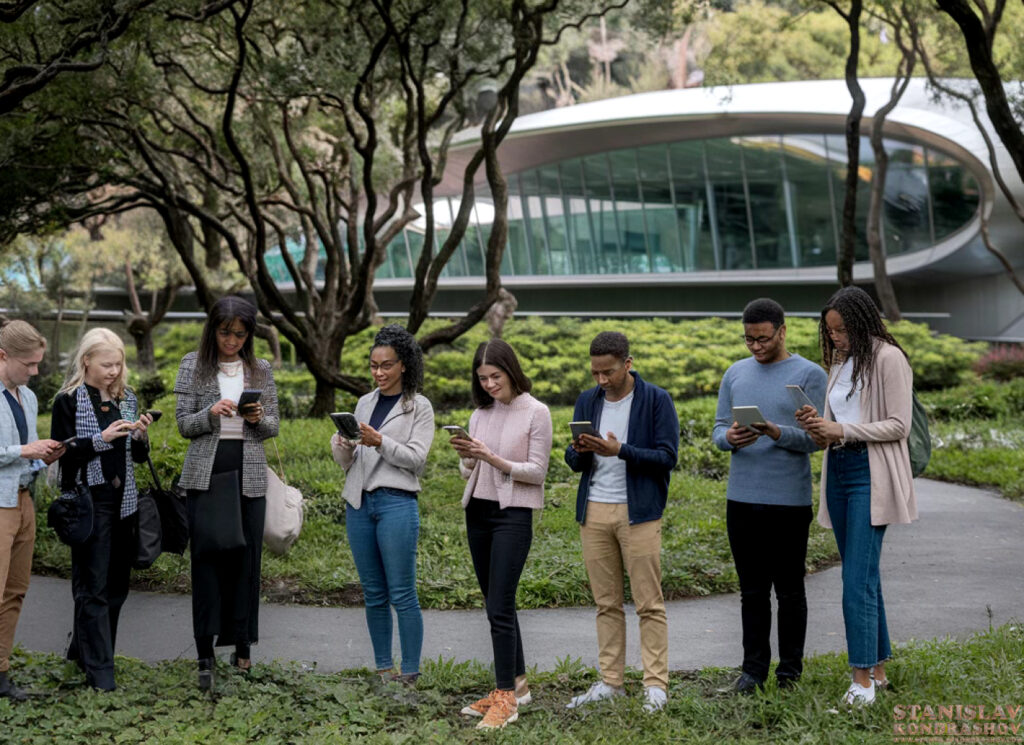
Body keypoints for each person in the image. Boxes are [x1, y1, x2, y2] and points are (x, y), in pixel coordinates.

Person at [796, 286, 917, 706]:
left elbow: (898, 425)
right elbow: (840, 420)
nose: (835, 338)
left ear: (862, 322)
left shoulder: (888, 358)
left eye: (842, 330)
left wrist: (843, 431)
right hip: (840, 470)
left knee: (855, 581)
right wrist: (819, 424)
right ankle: (878, 671)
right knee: (862, 574)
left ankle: (861, 681)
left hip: (871, 472)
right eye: (829, 331)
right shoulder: (840, 362)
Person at [711, 298, 828, 693]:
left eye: (762, 339)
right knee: (752, 591)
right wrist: (729, 438)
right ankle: (753, 671)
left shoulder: (810, 374)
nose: (756, 347)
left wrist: (778, 433)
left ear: (782, 331)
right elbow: (718, 428)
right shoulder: (735, 374)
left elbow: (819, 439)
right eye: (748, 340)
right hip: (741, 499)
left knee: (790, 590)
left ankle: (789, 673)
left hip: (789, 502)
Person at [564, 331, 679, 714]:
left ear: (627, 364)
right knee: (606, 603)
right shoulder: (587, 399)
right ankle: (611, 682)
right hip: (594, 510)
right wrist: (580, 450)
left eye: (608, 372)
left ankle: (655, 685)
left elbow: (667, 457)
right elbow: (573, 458)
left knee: (649, 602)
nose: (601, 380)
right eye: (595, 372)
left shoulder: (656, 400)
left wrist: (620, 450)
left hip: (640, 512)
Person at [174, 296, 279, 690]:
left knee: (247, 565)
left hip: (249, 475)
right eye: (224, 332)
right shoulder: (193, 364)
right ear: (212, 329)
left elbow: (273, 428)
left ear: (249, 334)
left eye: (240, 334)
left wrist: (257, 417)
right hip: (208, 473)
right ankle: (204, 652)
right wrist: (211, 413)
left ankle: (242, 650)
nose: (231, 341)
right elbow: (184, 425)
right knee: (206, 564)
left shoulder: (260, 369)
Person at [452, 339, 551, 730]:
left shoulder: (536, 412)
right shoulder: (480, 413)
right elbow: (470, 472)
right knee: (496, 603)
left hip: (513, 514)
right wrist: (467, 456)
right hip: (478, 511)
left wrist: (492, 457)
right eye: (483, 378)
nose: (490, 384)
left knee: (499, 605)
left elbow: (538, 471)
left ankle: (505, 699)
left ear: (511, 370)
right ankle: (518, 684)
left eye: (496, 376)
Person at [51, 328, 154, 691]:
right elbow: (61, 451)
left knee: (116, 588)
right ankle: (101, 673)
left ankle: (81, 655)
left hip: (124, 504)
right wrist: (101, 439)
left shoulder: (128, 398)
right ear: (86, 362)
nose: (113, 371)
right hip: (89, 504)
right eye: (106, 364)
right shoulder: (69, 400)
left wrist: (140, 436)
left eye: (118, 363)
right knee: (91, 587)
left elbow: (138, 457)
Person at [331, 325, 434, 685]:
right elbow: (349, 463)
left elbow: (417, 459)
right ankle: (382, 669)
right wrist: (343, 444)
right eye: (373, 365)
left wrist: (380, 442)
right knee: (373, 593)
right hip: (359, 503)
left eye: (386, 365)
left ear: (404, 365)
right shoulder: (365, 402)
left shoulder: (418, 406)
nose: (379, 373)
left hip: (396, 503)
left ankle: (409, 673)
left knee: (402, 592)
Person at [0, 320, 62, 700]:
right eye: (29, 364)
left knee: (15, 591)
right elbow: (19, 450)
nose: (35, 372)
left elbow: (29, 450)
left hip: (24, 501)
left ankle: (1, 671)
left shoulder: (28, 396)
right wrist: (24, 451)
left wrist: (46, 455)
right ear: (3, 356)